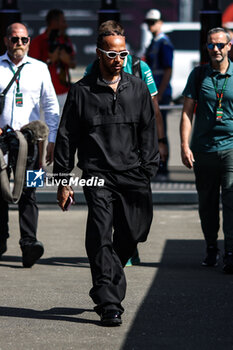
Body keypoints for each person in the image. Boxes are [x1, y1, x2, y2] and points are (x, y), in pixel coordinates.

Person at [53, 22, 159, 326]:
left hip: (133, 174)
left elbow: (148, 130)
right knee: (100, 235)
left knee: (133, 233)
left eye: (123, 54)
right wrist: (63, 181)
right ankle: (110, 302)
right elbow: (66, 136)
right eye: (112, 54)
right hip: (97, 176)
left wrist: (148, 167)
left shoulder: (137, 88)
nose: (118, 60)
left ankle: (109, 280)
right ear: (99, 54)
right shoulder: (81, 91)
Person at [84, 20, 167, 267]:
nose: (115, 54)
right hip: (105, 152)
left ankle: (127, 245)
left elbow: (154, 109)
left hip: (135, 150)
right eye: (107, 41)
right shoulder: (92, 69)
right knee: (104, 212)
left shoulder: (140, 67)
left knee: (133, 209)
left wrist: (160, 141)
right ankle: (113, 254)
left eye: (117, 38)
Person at [0, 23, 59, 267]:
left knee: (30, 193)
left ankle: (29, 244)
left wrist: (52, 140)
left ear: (29, 42)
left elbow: (52, 107)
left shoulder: (40, 69)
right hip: (2, 142)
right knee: (1, 191)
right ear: (6, 41)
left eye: (24, 40)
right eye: (15, 40)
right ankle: (0, 239)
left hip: (32, 143)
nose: (19, 44)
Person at [180, 27, 233, 273]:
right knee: (207, 204)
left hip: (230, 148)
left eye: (220, 45)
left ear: (229, 46)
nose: (216, 49)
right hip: (203, 149)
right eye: (212, 45)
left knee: (231, 201)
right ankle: (212, 248)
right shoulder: (199, 74)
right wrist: (184, 145)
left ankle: (231, 253)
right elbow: (187, 113)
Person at [144, 9, 173, 179]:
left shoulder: (164, 43)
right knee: (152, 130)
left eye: (153, 22)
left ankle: (163, 168)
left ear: (161, 22)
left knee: (161, 129)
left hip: (160, 93)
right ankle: (155, 166)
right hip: (152, 92)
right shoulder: (153, 42)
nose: (151, 25)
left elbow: (168, 70)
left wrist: (160, 93)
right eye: (148, 22)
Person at [29, 8, 76, 112]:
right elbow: (31, 69)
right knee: (44, 127)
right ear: (54, 22)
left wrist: (67, 60)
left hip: (64, 91)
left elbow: (73, 64)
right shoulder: (38, 41)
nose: (66, 25)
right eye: (63, 21)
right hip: (44, 93)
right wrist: (50, 60)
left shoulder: (65, 40)